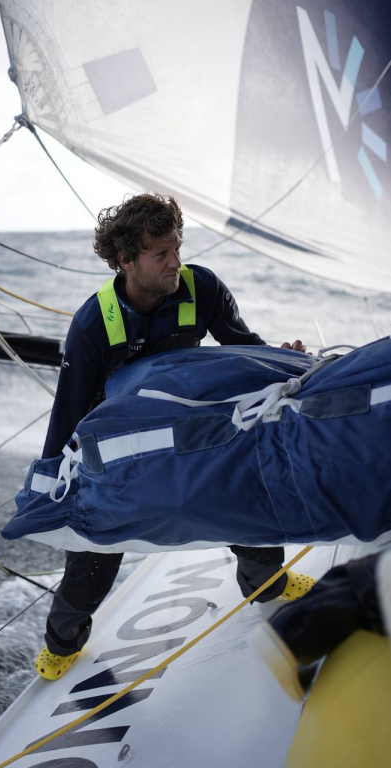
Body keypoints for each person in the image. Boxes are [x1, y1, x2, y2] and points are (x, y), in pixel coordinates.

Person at [36, 192, 315, 680]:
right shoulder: (93, 325)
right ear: (126, 260)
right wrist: (47, 492)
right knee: (93, 553)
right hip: (119, 453)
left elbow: (243, 350)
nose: (175, 262)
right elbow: (67, 416)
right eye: (161, 253)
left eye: (177, 248)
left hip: (185, 433)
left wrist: (284, 361)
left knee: (242, 493)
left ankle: (265, 583)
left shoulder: (202, 288)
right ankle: (62, 643)